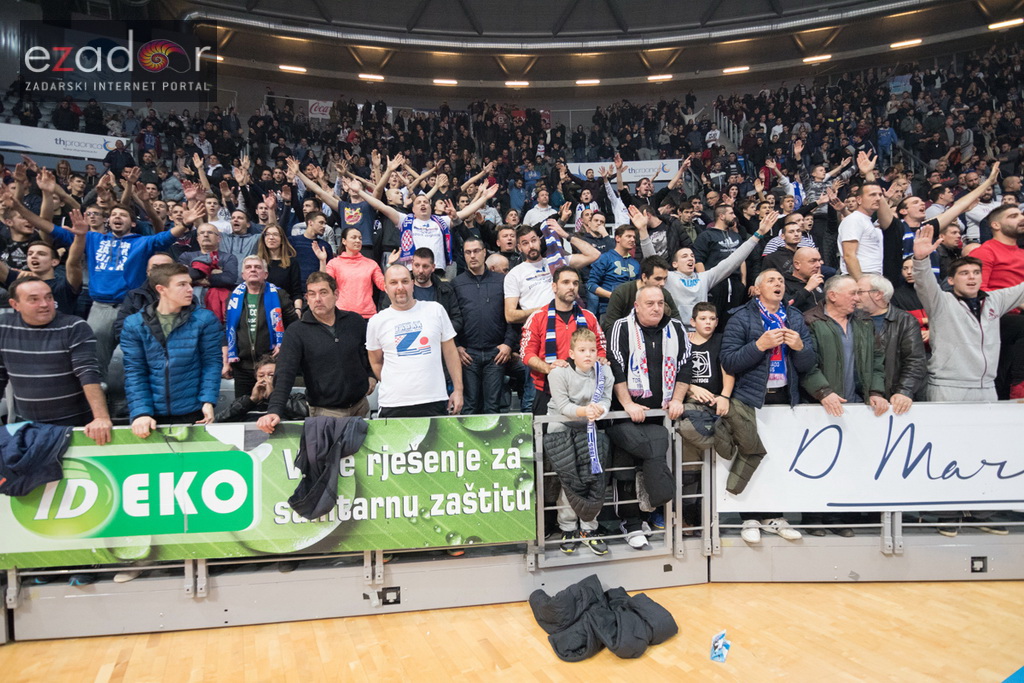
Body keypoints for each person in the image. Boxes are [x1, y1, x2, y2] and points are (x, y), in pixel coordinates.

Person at [720, 268, 817, 544]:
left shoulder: (795, 318)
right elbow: (728, 361)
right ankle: (748, 516)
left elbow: (809, 364)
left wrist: (800, 348)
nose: (778, 284)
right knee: (751, 456)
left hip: (785, 397)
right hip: (751, 397)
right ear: (758, 288)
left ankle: (776, 515)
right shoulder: (741, 317)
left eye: (782, 281)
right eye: (772, 280)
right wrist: (759, 345)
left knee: (780, 457)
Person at [799, 275, 889, 537]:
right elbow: (804, 363)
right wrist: (823, 391)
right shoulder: (811, 320)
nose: (858, 298)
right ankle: (813, 518)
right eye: (853, 293)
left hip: (855, 406)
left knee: (849, 464)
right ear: (833, 295)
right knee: (817, 465)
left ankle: (840, 517)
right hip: (818, 407)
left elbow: (877, 360)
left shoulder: (863, 322)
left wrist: (875, 390)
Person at [606, 285, 691, 549]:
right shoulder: (621, 327)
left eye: (660, 303)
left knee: (654, 465)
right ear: (637, 306)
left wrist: (677, 399)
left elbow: (685, 365)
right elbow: (616, 366)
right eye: (650, 303)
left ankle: (648, 514)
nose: (656, 308)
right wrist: (628, 403)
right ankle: (629, 523)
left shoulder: (676, 328)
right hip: (624, 413)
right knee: (625, 466)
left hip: (661, 413)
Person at [257, 272, 375, 432]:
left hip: (361, 406)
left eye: (323, 292)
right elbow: (285, 373)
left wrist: (371, 375)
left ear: (336, 294)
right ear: (307, 298)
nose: (317, 299)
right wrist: (274, 410)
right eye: (312, 294)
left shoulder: (355, 321)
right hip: (325, 412)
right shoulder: (296, 331)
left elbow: (369, 352)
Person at [0, 276, 111, 441]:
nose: (45, 304)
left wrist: (101, 418)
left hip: (75, 424)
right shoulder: (4, 326)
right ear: (15, 305)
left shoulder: (73, 326)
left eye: (49, 297)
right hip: (26, 424)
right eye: (34, 300)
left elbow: (88, 373)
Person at [120, 263, 223, 437]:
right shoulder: (134, 324)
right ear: (162, 289)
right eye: (182, 284)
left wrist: (207, 400)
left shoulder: (205, 319)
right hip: (151, 414)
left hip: (193, 411)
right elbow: (135, 371)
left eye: (190, 283)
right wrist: (141, 412)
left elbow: (212, 363)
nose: (190, 289)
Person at [545, 328, 613, 555]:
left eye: (592, 350)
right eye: (582, 350)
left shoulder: (604, 372)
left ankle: (589, 529)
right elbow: (563, 407)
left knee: (593, 479)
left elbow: (606, 400)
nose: (588, 355)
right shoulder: (558, 373)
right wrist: (585, 410)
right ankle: (568, 528)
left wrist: (599, 410)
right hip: (561, 427)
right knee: (569, 480)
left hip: (590, 426)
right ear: (571, 353)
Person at [366, 264, 463, 417]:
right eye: (393, 283)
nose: (400, 287)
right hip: (393, 404)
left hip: (434, 400)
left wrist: (458, 390)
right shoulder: (377, 322)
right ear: (385, 287)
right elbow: (376, 362)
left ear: (412, 283)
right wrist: (397, 385)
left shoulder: (435, 310)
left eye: (405, 281)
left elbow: (451, 353)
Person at [658, 209, 774, 330]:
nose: (690, 259)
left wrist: (758, 234)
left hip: (700, 330)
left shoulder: (704, 277)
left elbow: (732, 261)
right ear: (674, 264)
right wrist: (643, 232)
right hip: (678, 330)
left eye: (692, 256)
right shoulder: (669, 277)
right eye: (684, 256)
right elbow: (652, 262)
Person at [521, 266, 606, 415]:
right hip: (546, 390)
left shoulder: (589, 317)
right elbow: (526, 353)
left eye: (575, 283)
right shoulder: (538, 317)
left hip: (584, 390)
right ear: (554, 286)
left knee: (583, 437)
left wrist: (601, 359)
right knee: (547, 437)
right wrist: (549, 368)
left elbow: (600, 348)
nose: (571, 287)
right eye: (566, 282)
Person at [452, 237, 517, 414]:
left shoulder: (501, 281)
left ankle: (494, 443)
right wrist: (456, 346)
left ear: (484, 252)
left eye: (476, 251)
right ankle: (468, 443)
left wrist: (508, 344)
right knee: (470, 406)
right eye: (468, 252)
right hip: (468, 354)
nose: (472, 256)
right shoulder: (456, 284)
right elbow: (451, 318)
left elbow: (512, 315)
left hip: (496, 353)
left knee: (492, 407)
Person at [224, 256, 297, 399]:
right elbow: (226, 330)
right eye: (248, 267)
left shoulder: (279, 295)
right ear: (243, 274)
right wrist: (225, 361)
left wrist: (285, 345)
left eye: (257, 267)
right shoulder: (233, 297)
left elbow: (295, 326)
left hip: (271, 366)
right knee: (243, 409)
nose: (253, 270)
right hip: (242, 366)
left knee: (273, 408)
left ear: (265, 274)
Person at [856, 274, 927, 414]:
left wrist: (904, 391)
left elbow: (915, 361)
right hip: (859, 399)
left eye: (860, 292)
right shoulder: (852, 319)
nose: (855, 297)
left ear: (878, 294)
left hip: (894, 399)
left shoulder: (905, 321)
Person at [504, 223, 601, 325]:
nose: (531, 246)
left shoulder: (557, 261)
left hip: (568, 322)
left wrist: (566, 235)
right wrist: (545, 310)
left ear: (539, 240)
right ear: (519, 247)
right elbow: (510, 315)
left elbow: (594, 254)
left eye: (533, 240)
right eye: (525, 243)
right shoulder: (514, 274)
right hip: (539, 325)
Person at [216, 355, 308, 423]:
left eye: (271, 375)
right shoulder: (245, 402)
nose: (265, 379)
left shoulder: (295, 398)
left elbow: (306, 413)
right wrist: (251, 400)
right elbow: (220, 420)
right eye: (261, 376)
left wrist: (273, 396)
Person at [601, 255, 680, 334]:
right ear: (644, 277)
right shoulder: (621, 293)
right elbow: (610, 327)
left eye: (665, 279)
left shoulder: (664, 293)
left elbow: (677, 321)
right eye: (658, 279)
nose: (662, 283)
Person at [324, 226, 386, 319]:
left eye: (360, 238)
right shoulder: (334, 263)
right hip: (342, 314)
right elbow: (326, 285)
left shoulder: (371, 264)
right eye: (353, 237)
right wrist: (322, 260)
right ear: (344, 241)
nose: (358, 241)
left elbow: (384, 285)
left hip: (367, 315)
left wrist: (389, 265)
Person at [586, 224, 640, 317]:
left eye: (634, 237)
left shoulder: (636, 264)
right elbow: (591, 285)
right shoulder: (605, 258)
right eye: (628, 236)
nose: (632, 240)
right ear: (618, 238)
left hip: (631, 312)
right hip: (608, 310)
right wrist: (612, 295)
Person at [256, 223, 303, 315]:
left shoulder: (292, 262)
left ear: (282, 240)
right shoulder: (257, 263)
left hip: (285, 309)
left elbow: (296, 291)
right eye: (268, 234)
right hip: (261, 309)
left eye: (275, 234)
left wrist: (298, 309)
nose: (271, 237)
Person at [784, 247, 826, 311]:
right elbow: (787, 307)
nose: (818, 265)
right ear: (797, 264)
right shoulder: (784, 284)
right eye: (813, 261)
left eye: (819, 261)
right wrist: (807, 289)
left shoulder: (818, 282)